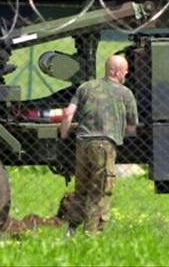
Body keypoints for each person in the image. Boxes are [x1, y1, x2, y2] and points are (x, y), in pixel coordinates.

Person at [59, 54, 138, 235]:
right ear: (117, 72)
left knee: (81, 188)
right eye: (125, 71)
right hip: (104, 145)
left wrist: (64, 134)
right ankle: (91, 233)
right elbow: (132, 127)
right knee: (101, 190)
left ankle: (71, 230)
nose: (126, 74)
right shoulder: (125, 93)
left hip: (82, 143)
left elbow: (68, 113)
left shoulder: (85, 87)